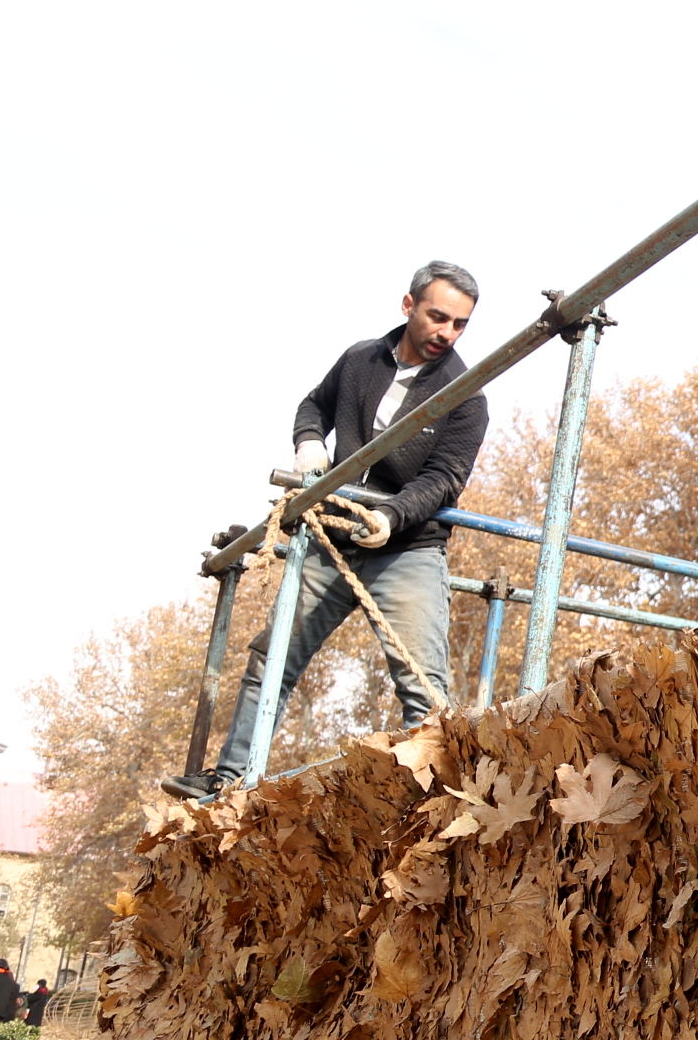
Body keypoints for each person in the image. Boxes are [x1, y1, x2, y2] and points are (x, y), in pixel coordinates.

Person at [163, 261, 492, 801]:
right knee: (271, 659)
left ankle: (440, 804)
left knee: (424, 687)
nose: (447, 334)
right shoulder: (361, 359)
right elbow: (314, 403)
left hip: (406, 549)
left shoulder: (466, 394)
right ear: (408, 306)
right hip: (329, 536)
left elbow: (444, 480)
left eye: (460, 325)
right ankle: (229, 784)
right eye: (438, 317)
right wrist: (310, 441)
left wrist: (390, 517)